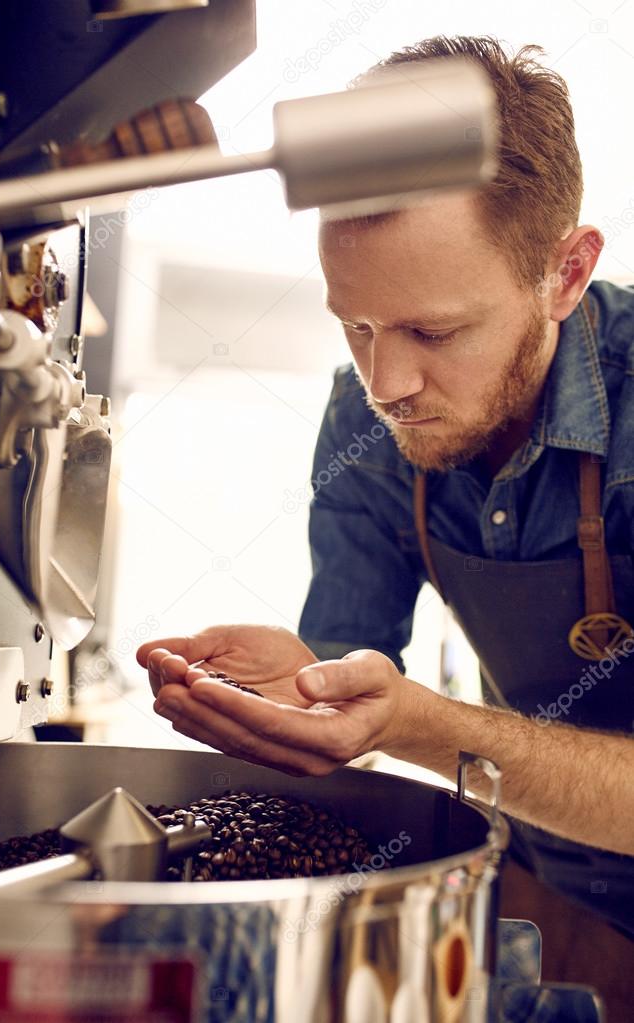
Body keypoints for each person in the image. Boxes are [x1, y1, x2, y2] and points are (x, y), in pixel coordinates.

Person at [137, 35, 634, 1006]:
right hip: (543, 894)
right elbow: (341, 676)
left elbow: (406, 724)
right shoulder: (363, 420)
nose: (387, 384)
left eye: (434, 332)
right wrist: (300, 690)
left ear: (565, 274)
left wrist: (421, 725)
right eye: (354, 326)